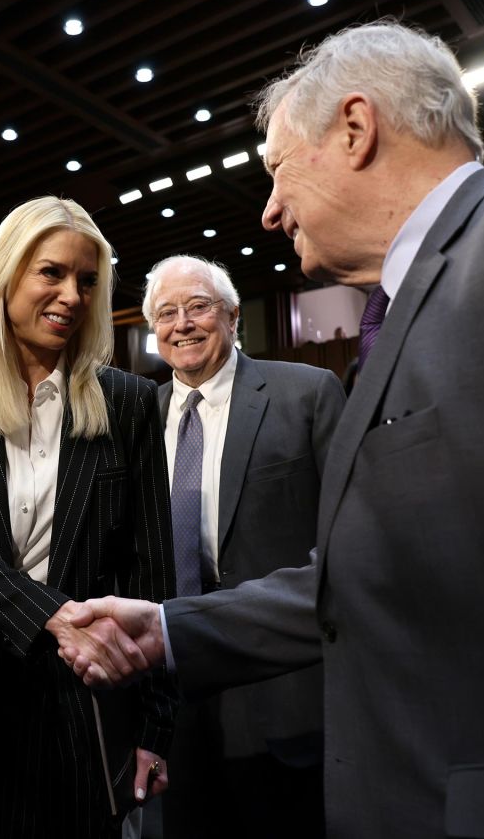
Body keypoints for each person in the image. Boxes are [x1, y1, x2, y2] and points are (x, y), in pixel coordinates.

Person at [64, 20, 484, 839]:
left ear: (356, 129)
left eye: (276, 170)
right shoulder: (404, 317)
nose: (271, 210)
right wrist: (168, 626)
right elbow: (354, 578)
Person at [0, 196, 177, 838]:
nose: (71, 295)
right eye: (51, 272)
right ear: (7, 275)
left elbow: (152, 574)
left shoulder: (129, 403)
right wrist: (50, 616)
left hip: (79, 705)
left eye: (87, 280)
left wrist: (157, 727)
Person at [143, 255, 344, 838]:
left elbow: (346, 539)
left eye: (198, 307)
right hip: (177, 685)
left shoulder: (306, 393)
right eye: (166, 313)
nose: (182, 324)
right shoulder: (137, 416)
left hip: (283, 686)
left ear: (232, 317)